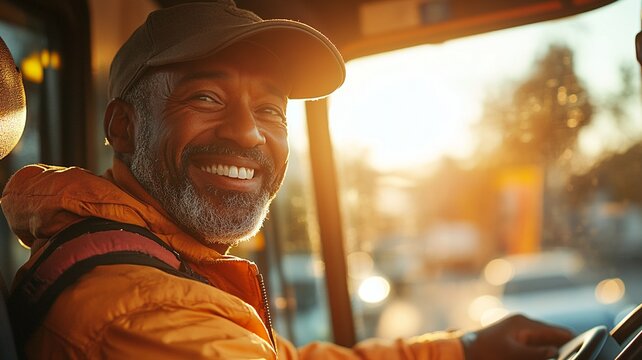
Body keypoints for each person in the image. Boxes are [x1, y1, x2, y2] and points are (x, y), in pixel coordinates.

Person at [1, 1, 573, 359]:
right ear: (123, 129)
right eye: (206, 97)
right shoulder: (141, 316)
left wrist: (463, 349)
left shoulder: (157, 273)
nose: (249, 134)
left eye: (271, 109)